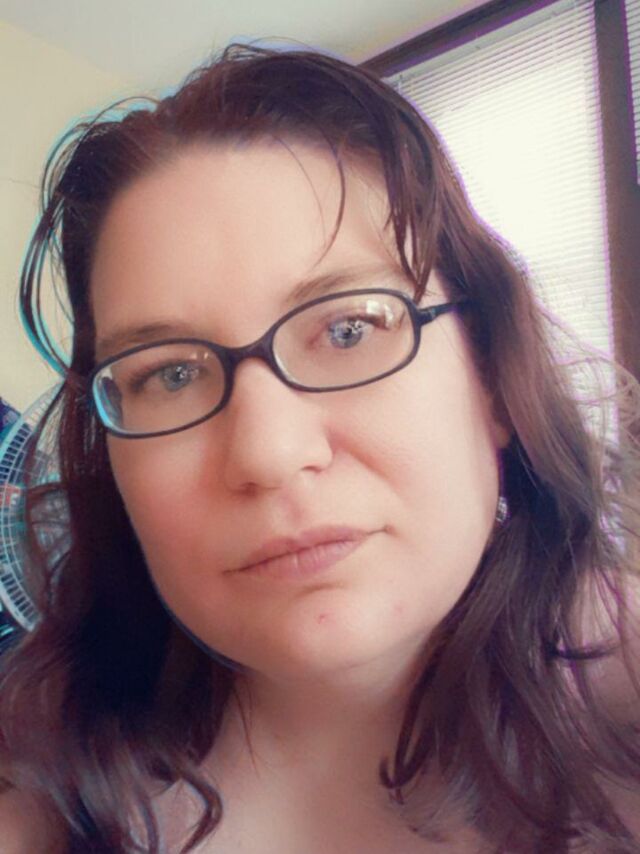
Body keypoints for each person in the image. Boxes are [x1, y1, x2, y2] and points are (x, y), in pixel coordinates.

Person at [1, 42, 639, 854]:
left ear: (491, 379)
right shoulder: (41, 780)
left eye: (348, 329)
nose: (267, 454)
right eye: (169, 375)